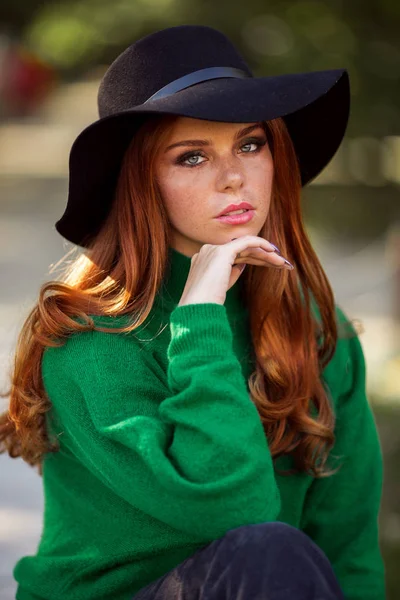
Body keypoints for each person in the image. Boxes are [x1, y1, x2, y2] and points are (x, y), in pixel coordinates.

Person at [0, 24, 385, 600]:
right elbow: (234, 512)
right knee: (265, 547)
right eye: (192, 156)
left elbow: (348, 551)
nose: (234, 177)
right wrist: (199, 314)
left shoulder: (319, 332)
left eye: (251, 145)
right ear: (140, 183)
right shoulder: (88, 340)